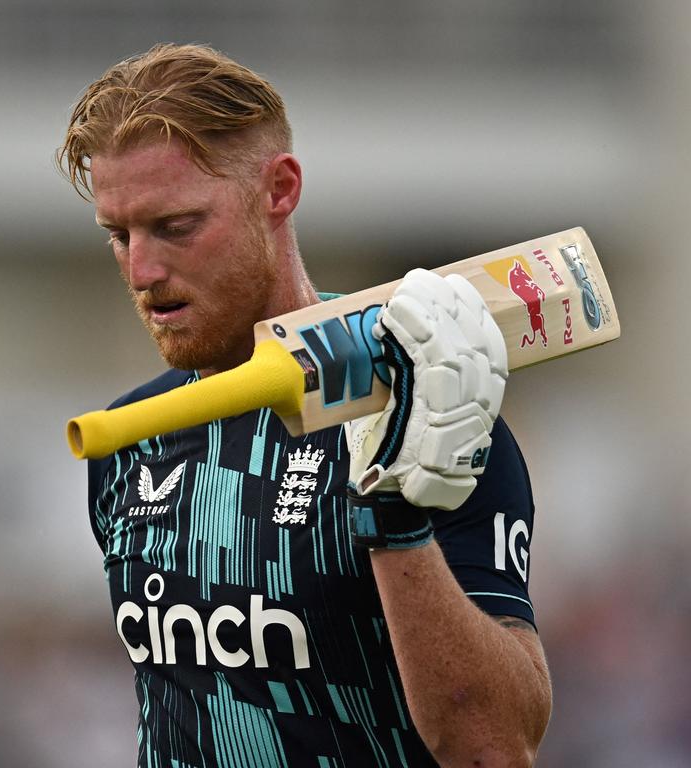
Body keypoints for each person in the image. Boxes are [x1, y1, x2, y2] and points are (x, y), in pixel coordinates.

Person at [58, 43, 552, 767]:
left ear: (279, 190)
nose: (142, 270)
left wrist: (393, 513)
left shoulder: (427, 412)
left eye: (176, 226)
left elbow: (495, 748)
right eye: (118, 234)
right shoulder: (133, 443)